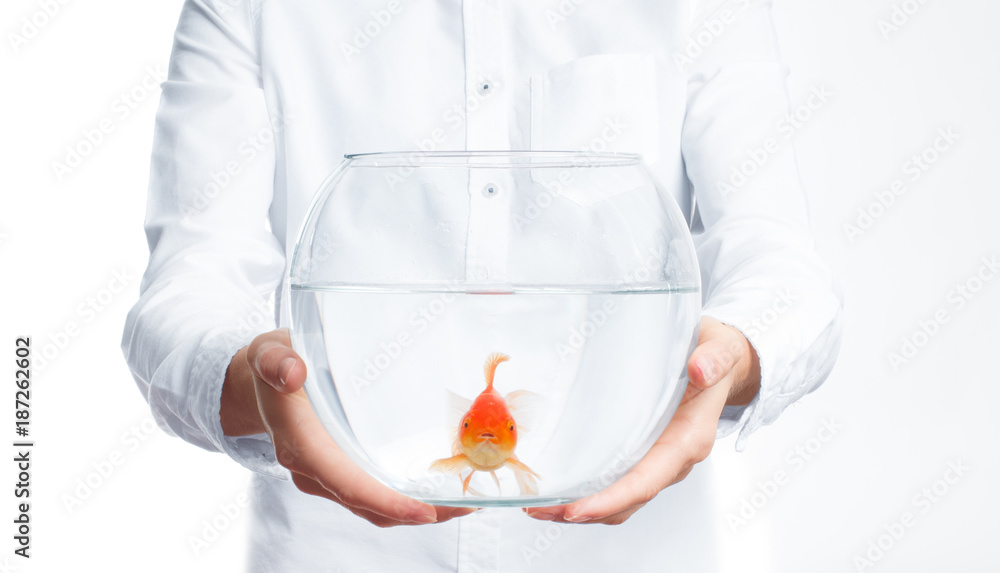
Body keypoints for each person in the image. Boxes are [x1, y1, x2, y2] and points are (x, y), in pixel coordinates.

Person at [122, 0, 842, 570]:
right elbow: (185, 290)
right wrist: (258, 378)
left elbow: (780, 267)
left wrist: (732, 358)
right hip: (330, 552)